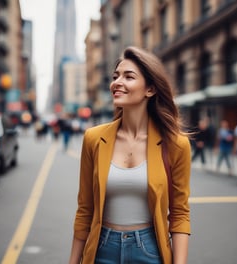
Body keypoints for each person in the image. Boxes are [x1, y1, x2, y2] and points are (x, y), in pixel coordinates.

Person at [69, 46, 191, 264]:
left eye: (129, 76)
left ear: (150, 89)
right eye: (115, 76)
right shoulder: (93, 139)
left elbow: (180, 213)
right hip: (101, 249)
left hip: (149, 251)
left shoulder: (176, 144)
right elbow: (85, 209)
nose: (117, 82)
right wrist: (73, 261)